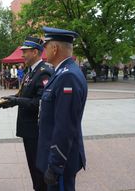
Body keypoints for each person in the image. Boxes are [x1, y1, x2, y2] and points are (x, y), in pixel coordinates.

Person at [0, 36, 54, 191]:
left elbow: (39, 103)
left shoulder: (44, 72)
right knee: (33, 166)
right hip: (28, 129)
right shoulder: (30, 72)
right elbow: (23, 95)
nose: (22, 55)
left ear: (35, 52)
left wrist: (15, 101)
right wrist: (5, 101)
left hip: (36, 130)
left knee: (38, 167)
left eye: (25, 52)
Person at [37, 27, 88, 191]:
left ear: (55, 48)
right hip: (58, 156)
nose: (44, 50)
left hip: (61, 160)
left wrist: (55, 165)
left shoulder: (68, 76)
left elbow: (64, 126)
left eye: (46, 46)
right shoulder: (63, 72)